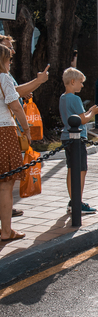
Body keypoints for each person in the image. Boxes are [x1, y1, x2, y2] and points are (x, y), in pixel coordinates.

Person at [0, 34, 49, 219]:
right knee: (6, 179)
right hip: (5, 128)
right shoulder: (3, 76)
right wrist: (38, 81)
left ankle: (5, 211)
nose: (11, 52)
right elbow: (14, 97)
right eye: (6, 48)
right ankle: (5, 222)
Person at [60, 67, 98, 214]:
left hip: (66, 137)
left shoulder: (62, 97)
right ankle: (78, 202)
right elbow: (82, 120)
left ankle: (73, 200)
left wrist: (88, 111)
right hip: (78, 139)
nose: (82, 85)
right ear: (72, 82)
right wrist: (92, 112)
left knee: (71, 169)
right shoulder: (75, 98)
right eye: (80, 82)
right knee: (81, 170)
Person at [0, 44, 29, 242]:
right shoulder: (4, 78)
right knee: (5, 184)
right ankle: (6, 231)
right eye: (9, 59)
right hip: (4, 131)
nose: (11, 63)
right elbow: (15, 106)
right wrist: (26, 129)